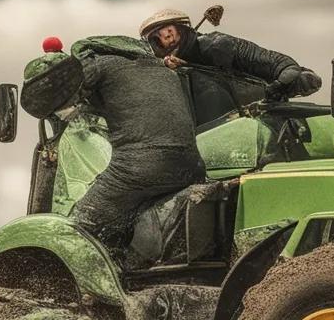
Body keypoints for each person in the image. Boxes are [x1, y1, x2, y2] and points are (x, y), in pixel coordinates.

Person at [20, 37, 205, 253]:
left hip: (142, 166)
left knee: (78, 228)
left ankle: (86, 283)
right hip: (192, 165)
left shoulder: (91, 66)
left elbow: (68, 92)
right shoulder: (151, 65)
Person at [138, 9, 322, 121]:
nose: (167, 39)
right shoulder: (170, 68)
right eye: (159, 39)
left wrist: (278, 87)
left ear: (183, 30)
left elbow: (286, 66)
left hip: (259, 115)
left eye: (169, 32)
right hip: (213, 128)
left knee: (303, 79)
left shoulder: (216, 45)